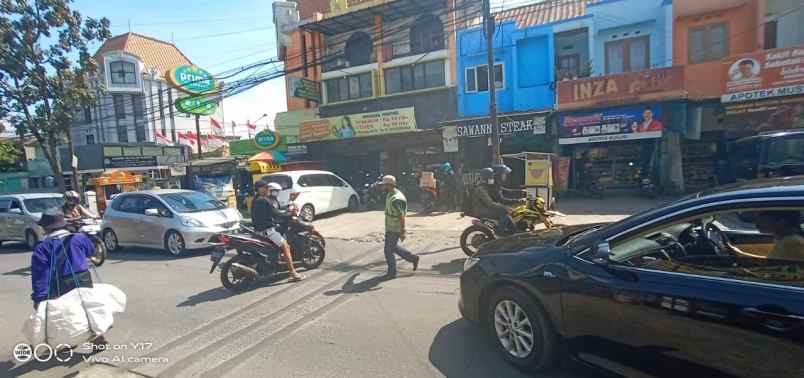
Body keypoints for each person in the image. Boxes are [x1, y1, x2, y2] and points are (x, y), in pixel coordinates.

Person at [30, 208, 108, 345]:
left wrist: (39, 298)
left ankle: (70, 341)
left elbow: (40, 275)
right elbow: (91, 250)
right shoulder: (77, 238)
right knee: (87, 308)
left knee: (67, 313)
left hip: (60, 283)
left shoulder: (42, 248)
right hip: (83, 277)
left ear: (45, 228)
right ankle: (98, 337)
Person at [251, 181, 304, 282]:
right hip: (267, 231)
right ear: (260, 189)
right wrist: (290, 213)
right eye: (266, 188)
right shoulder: (264, 200)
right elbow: (277, 214)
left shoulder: (255, 200)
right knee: (286, 246)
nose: (268, 190)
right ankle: (293, 273)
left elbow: (272, 212)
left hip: (258, 231)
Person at [381, 175, 420, 279]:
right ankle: (413, 258)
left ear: (389, 185)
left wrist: (402, 232)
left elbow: (401, 217)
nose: (382, 187)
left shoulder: (396, 199)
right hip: (390, 227)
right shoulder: (390, 194)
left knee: (388, 250)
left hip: (395, 228)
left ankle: (392, 272)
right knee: (393, 247)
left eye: (383, 185)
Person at [472, 168, 517, 235]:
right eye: (491, 177)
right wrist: (505, 208)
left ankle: (510, 234)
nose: (492, 178)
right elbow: (490, 203)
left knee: (509, 216)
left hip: (487, 208)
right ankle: (498, 232)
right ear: (486, 177)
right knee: (504, 213)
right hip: (481, 210)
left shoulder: (487, 186)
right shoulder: (480, 188)